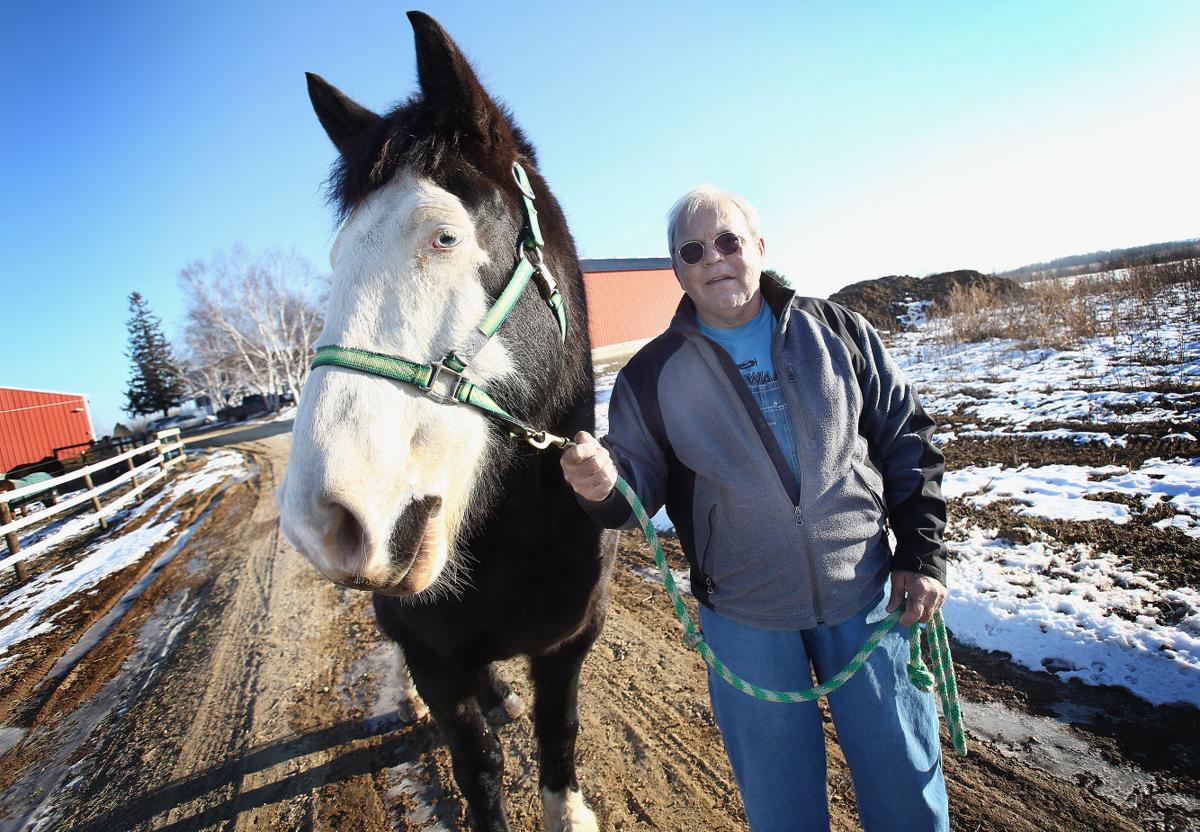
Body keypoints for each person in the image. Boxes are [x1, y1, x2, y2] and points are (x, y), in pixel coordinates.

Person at [560, 185, 950, 831]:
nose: (714, 258)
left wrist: (923, 552)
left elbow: (907, 441)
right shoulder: (651, 373)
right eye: (693, 249)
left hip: (867, 595)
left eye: (728, 241)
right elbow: (635, 487)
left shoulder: (838, 332)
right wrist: (600, 484)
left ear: (758, 249)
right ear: (678, 269)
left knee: (905, 783)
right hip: (744, 615)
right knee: (780, 805)